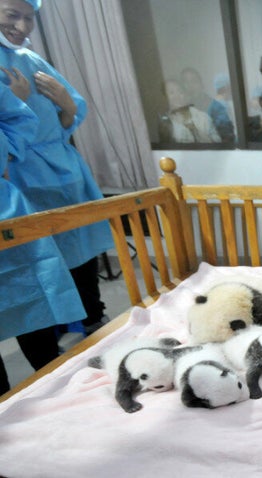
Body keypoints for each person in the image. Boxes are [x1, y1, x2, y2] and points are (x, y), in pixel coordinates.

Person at [1, 0, 114, 336]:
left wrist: (66, 104)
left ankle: (94, 319)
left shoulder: (30, 59)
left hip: (65, 171)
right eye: (12, 16)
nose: (21, 27)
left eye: (29, 18)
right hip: (24, 176)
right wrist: (17, 103)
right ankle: (55, 336)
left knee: (83, 249)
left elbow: (66, 119)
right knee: (45, 263)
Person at [0, 83, 87, 395]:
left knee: (33, 303)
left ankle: (55, 384)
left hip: (6, 207)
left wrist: (7, 149)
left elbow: (19, 118)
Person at [159, 79, 221, 143]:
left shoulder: (203, 116)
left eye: (180, 92)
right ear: (165, 98)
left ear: (186, 95)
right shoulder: (165, 123)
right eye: (171, 93)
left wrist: (193, 129)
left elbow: (218, 143)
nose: (177, 96)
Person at [207, 73, 235, 143]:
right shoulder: (221, 107)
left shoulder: (214, 104)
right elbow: (226, 135)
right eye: (231, 86)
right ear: (226, 87)